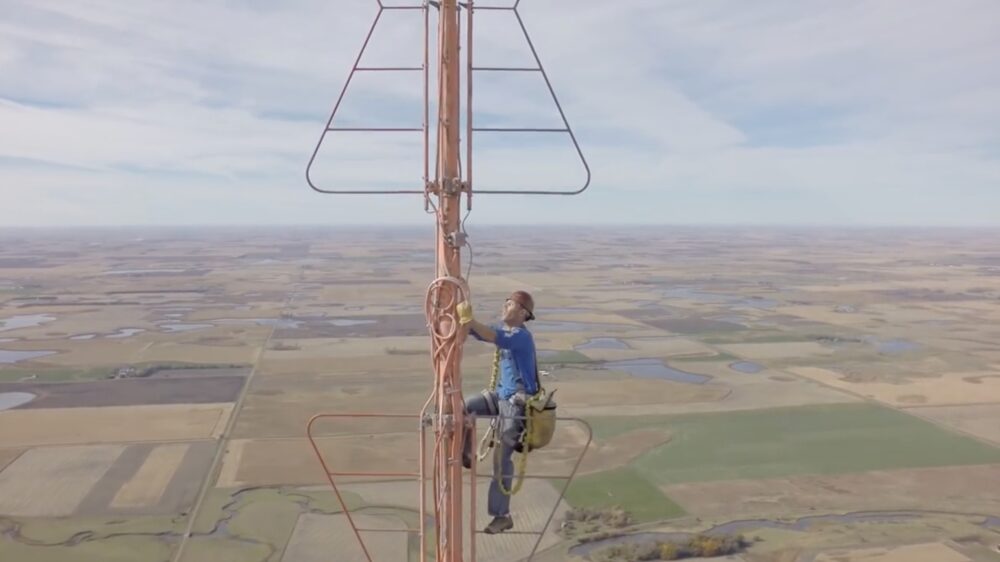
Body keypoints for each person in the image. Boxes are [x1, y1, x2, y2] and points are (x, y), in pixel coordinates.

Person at [456, 290, 539, 535]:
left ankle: (502, 516)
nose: (504, 307)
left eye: (509, 304)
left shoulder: (521, 336)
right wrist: (461, 319)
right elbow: (482, 332)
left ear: (522, 313)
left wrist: (470, 320)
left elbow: (492, 335)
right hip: (502, 396)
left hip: (516, 405)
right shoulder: (508, 332)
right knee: (466, 408)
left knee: (501, 458)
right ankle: (467, 452)